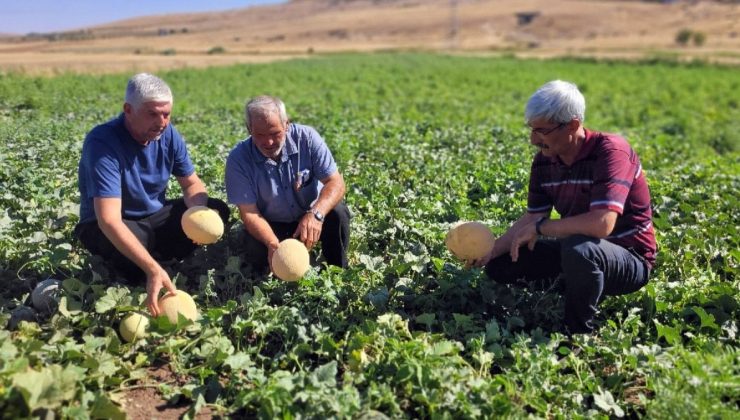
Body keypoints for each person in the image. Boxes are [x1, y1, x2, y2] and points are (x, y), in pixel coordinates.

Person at [473, 80, 656, 335]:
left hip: (629, 259)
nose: (533, 139)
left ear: (572, 125)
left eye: (541, 131)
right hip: (578, 250)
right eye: (531, 129)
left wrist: (541, 228)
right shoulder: (544, 162)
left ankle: (578, 334)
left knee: (579, 249)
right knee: (503, 263)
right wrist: (491, 251)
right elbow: (534, 216)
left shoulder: (611, 152)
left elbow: (601, 224)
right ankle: (579, 286)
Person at [74, 73, 229, 316]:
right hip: (106, 225)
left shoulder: (167, 134)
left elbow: (192, 186)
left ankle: (151, 259)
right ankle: (150, 266)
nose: (161, 122)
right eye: (152, 114)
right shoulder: (103, 142)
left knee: (217, 210)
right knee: (135, 249)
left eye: (166, 114)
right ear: (128, 110)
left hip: (153, 216)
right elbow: (108, 220)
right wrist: (151, 269)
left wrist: (197, 216)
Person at [225, 95, 350, 274]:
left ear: (286, 124)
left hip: (310, 216)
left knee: (338, 213)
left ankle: (338, 271)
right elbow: (249, 213)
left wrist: (316, 214)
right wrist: (272, 244)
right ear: (249, 129)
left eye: (275, 133)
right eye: (260, 135)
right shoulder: (238, 159)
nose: (268, 142)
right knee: (256, 251)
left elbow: (335, 183)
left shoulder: (307, 138)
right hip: (271, 224)